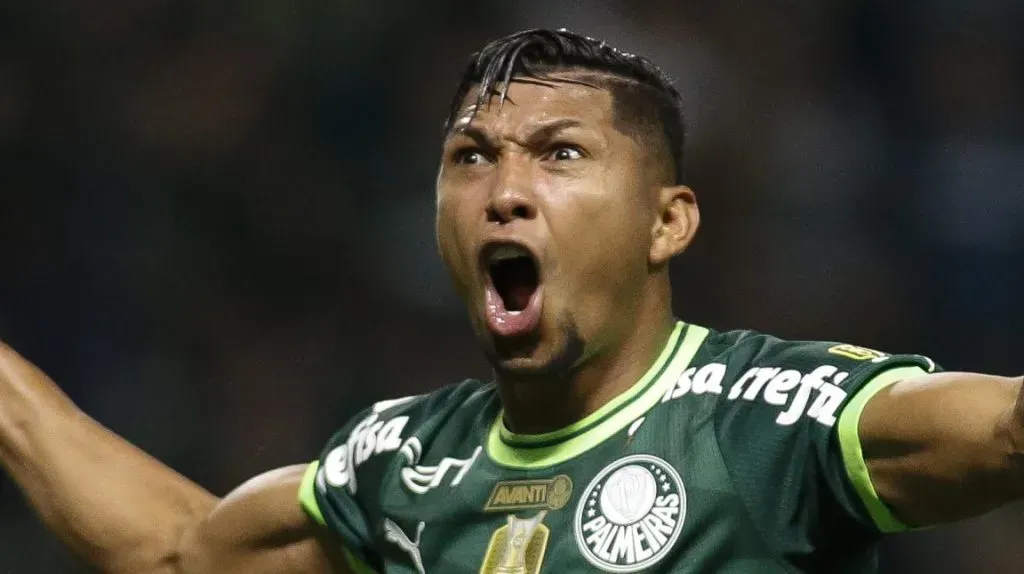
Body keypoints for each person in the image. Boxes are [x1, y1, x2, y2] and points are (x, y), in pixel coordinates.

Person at [0, 28, 1021, 574]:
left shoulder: (767, 422)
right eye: (470, 157)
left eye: (562, 154)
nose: (506, 188)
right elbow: (182, 551)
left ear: (667, 221)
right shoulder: (399, 465)